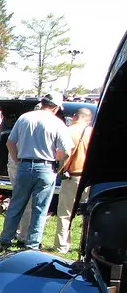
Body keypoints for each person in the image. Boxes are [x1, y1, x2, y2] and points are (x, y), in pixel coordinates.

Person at [0, 91, 73, 252]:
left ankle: (5, 240)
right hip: (46, 167)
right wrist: (58, 168)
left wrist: (18, 160)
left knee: (16, 205)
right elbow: (67, 151)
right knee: (40, 209)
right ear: (55, 108)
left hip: (24, 166)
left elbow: (10, 142)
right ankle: (32, 244)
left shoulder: (25, 118)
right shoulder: (57, 123)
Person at [54, 108, 93, 253]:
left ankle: (62, 245)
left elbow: (62, 154)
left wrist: (61, 169)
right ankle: (87, 245)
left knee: (65, 213)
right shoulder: (93, 132)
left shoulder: (68, 131)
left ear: (75, 116)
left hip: (72, 175)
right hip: (89, 178)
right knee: (88, 213)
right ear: (89, 119)